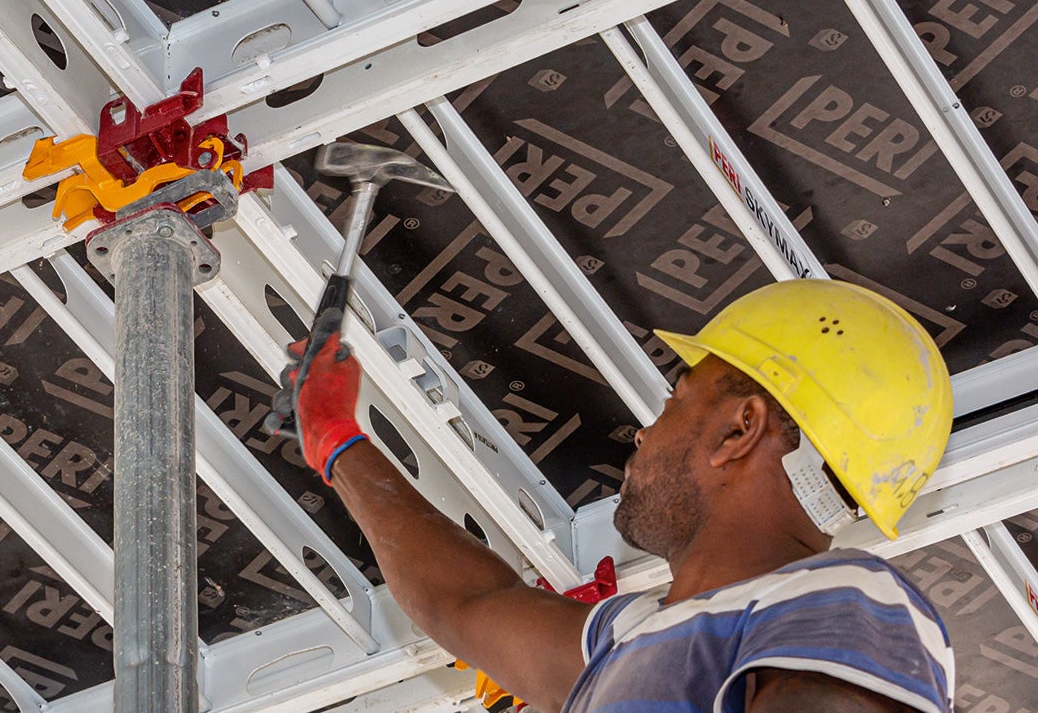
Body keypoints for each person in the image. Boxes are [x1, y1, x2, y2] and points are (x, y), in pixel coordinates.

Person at [290, 279, 955, 711]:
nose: (644, 430)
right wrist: (337, 442)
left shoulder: (849, 597)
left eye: (676, 401)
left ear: (739, 428)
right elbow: (467, 603)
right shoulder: (630, 637)